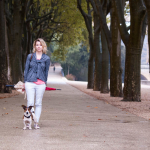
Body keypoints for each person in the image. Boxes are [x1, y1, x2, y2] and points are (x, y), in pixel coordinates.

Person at [24, 38, 50, 129]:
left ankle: (36, 122)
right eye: (37, 45)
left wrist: (45, 83)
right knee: (30, 103)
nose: (38, 46)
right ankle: (29, 121)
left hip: (41, 83)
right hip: (30, 82)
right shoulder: (30, 56)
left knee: (38, 103)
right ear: (35, 46)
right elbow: (26, 70)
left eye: (40, 45)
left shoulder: (46, 58)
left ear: (43, 46)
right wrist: (25, 82)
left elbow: (46, 72)